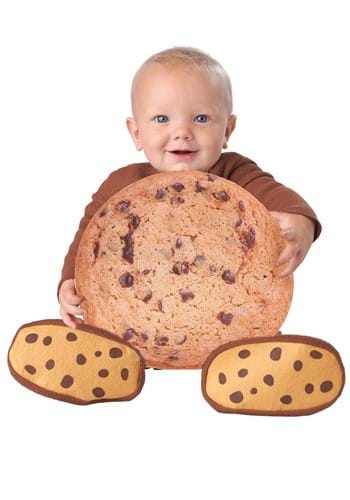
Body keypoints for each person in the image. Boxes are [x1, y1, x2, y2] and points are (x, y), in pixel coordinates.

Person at [58, 46, 321, 329]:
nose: (182, 132)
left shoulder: (235, 173)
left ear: (227, 131)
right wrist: (69, 281)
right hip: (137, 323)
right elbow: (87, 239)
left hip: (227, 321)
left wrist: (301, 226)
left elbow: (279, 198)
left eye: (201, 119)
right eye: (162, 119)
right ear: (136, 133)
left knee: (258, 346)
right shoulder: (120, 187)